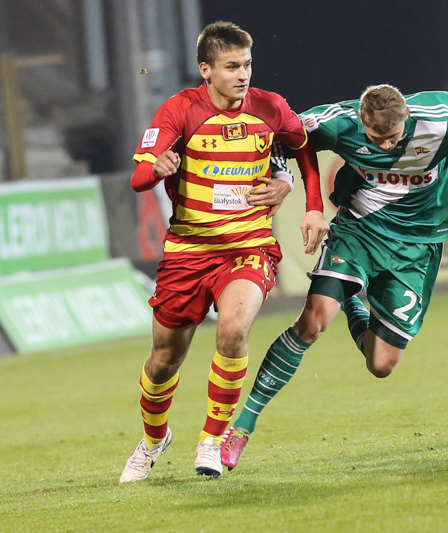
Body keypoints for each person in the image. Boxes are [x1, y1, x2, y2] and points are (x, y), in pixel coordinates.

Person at [219, 85, 448, 469]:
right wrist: (287, 181)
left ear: (407, 118)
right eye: (375, 139)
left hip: (417, 248)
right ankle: (242, 427)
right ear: (361, 120)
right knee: (313, 322)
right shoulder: (338, 122)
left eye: (393, 138)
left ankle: (351, 298)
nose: (385, 147)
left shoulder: (443, 119)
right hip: (359, 231)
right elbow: (281, 135)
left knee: (380, 364)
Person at [118, 21, 329, 483]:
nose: (243, 74)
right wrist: (157, 168)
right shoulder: (179, 109)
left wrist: (308, 201)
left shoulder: (271, 107)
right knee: (163, 361)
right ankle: (153, 440)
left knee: (233, 331)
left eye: (247, 64)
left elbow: (304, 147)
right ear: (206, 69)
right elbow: (137, 179)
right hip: (188, 251)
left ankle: (212, 439)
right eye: (232, 66)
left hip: (249, 248)